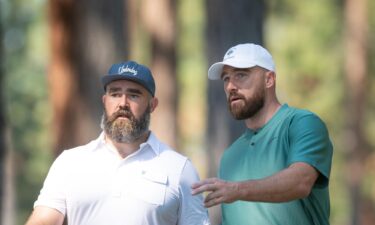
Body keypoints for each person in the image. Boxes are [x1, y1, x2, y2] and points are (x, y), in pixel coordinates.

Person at [25, 61, 210, 225]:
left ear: (152, 105)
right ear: (105, 101)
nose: (123, 103)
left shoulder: (180, 169)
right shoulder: (69, 163)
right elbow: (44, 219)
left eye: (134, 95)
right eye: (115, 94)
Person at [192, 43, 333, 225]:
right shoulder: (229, 157)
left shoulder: (302, 123)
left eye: (241, 75)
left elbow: (301, 182)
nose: (230, 87)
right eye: (226, 79)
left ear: (269, 79)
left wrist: (237, 190)